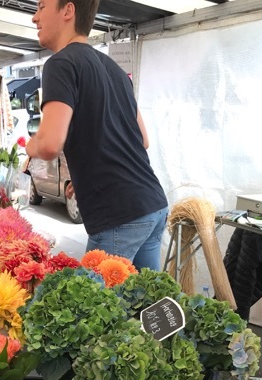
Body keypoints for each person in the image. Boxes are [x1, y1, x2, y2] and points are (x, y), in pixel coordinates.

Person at [25, 0, 168, 271]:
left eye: (41, 7)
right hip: (152, 203)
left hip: (119, 214)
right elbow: (142, 140)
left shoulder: (61, 64)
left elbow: (49, 144)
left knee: (95, 309)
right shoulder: (114, 70)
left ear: (68, 11)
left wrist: (30, 145)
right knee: (146, 305)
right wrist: (85, 178)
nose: (35, 18)